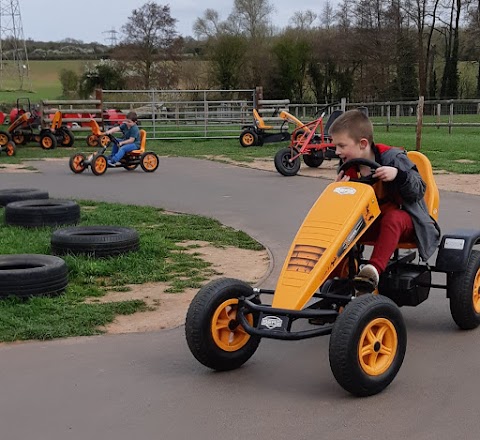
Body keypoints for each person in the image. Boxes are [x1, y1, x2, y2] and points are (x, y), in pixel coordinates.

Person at [329, 109, 440, 294]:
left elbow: (419, 188)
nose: (336, 151)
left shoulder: (393, 158)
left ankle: (372, 272)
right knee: (340, 228)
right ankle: (334, 284)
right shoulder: (348, 167)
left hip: (406, 222)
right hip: (371, 221)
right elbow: (346, 209)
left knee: (393, 218)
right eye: (336, 146)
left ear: (363, 143)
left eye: (341, 146)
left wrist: (398, 175)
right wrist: (338, 192)